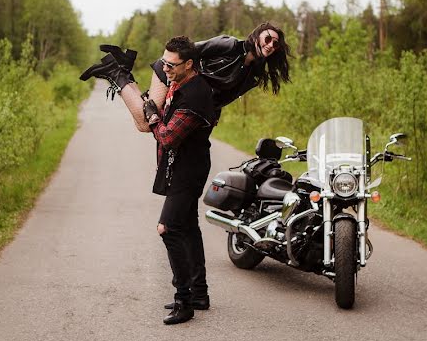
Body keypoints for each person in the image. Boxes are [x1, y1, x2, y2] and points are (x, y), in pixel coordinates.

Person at [79, 22, 291, 132]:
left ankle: (123, 71)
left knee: (143, 123)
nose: (270, 45)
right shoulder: (228, 44)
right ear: (258, 34)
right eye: (268, 38)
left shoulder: (253, 74)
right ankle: (116, 72)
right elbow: (187, 51)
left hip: (188, 93)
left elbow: (225, 96)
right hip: (170, 73)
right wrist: (172, 75)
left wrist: (211, 115)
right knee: (145, 124)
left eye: (275, 44)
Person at [145, 36, 215, 324]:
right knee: (188, 226)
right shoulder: (180, 80)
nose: (165, 69)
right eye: (164, 62)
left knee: (168, 229)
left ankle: (183, 301)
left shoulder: (195, 95)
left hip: (189, 169)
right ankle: (199, 293)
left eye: (171, 65)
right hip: (184, 166)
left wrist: (152, 117)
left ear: (189, 64)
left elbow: (168, 136)